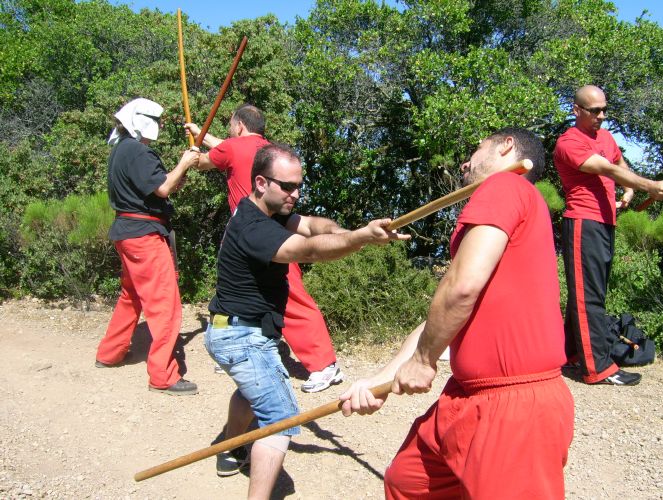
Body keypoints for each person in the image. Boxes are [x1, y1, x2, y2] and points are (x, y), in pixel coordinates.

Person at [340, 128, 575, 499]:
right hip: (464, 399)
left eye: (476, 150)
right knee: (408, 482)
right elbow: (445, 315)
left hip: (513, 407)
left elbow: (461, 287)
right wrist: (380, 380)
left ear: (506, 147)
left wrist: (423, 360)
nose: (465, 162)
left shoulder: (504, 187)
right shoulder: (511, 203)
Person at [204, 143, 409, 498]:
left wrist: (348, 232)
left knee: (253, 391)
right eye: (287, 186)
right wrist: (361, 238)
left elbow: (316, 227)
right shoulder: (254, 228)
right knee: (280, 418)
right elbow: (308, 250)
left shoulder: (266, 209)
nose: (295, 194)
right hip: (240, 337)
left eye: (299, 186)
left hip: (235, 330)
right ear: (261, 182)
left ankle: (229, 447)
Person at [185, 105, 344, 393]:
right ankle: (236, 349)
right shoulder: (267, 151)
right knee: (238, 291)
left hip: (265, 236)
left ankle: (324, 364)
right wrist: (201, 134)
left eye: (231, 126)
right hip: (256, 237)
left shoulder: (233, 147)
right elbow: (225, 149)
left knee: (293, 297)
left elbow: (205, 162)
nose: (230, 132)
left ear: (239, 126)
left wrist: (194, 147)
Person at [553, 85, 663, 386]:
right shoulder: (569, 142)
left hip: (605, 222)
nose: (601, 116)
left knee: (590, 293)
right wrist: (649, 186)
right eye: (594, 111)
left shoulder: (604, 137)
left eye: (604, 109)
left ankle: (570, 353)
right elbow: (605, 167)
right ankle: (598, 368)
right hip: (583, 222)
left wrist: (629, 190)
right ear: (576, 110)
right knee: (588, 297)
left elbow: (617, 162)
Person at [95, 98, 200, 396]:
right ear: (140, 120)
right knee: (165, 304)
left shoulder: (121, 150)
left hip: (127, 233)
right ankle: (163, 376)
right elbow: (163, 188)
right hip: (143, 235)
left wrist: (178, 174)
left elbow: (158, 188)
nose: (161, 125)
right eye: (158, 121)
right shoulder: (138, 151)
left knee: (131, 296)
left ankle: (110, 353)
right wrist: (184, 163)